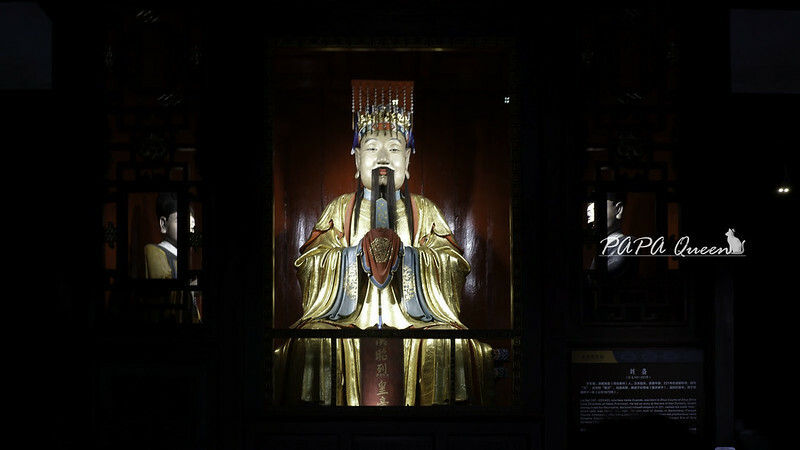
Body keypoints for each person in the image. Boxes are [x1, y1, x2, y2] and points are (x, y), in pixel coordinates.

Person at [273, 80, 494, 406]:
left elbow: (453, 264)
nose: (382, 158)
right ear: (356, 159)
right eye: (371, 147)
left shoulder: (424, 210)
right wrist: (353, 257)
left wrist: (408, 258)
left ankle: (442, 428)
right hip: (348, 319)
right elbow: (309, 264)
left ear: (408, 158)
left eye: (393, 149)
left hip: (414, 322)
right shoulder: (340, 209)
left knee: (450, 344)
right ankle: (320, 428)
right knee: (314, 341)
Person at [143, 192, 201, 323]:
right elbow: (165, 294)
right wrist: (193, 288)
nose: (189, 229)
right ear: (163, 224)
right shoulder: (154, 251)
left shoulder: (184, 259)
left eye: (192, 225)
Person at [587, 192, 636, 279]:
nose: (590, 221)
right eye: (588, 216)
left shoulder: (627, 242)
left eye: (596, 210)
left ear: (618, 209)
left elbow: (608, 271)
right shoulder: (601, 246)